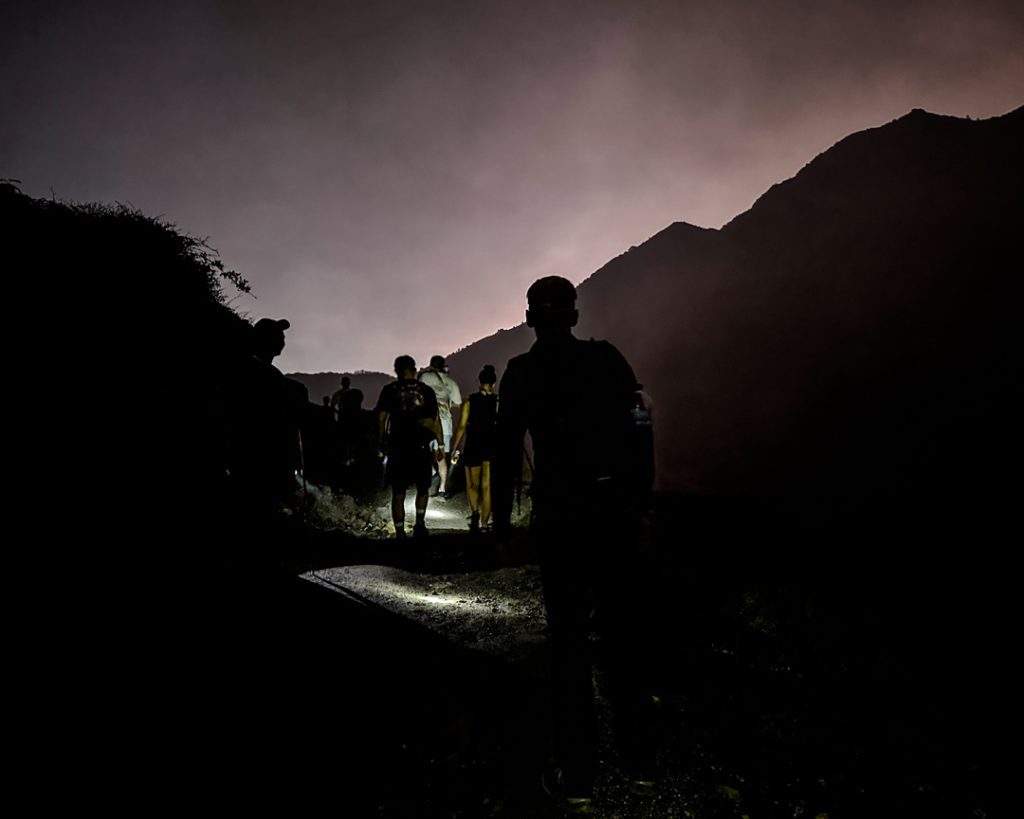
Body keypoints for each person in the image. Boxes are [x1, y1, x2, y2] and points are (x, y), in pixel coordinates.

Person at [494, 276, 658, 813]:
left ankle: (579, 772)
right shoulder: (608, 358)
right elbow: (641, 419)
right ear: (575, 314)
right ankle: (639, 763)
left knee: (568, 639)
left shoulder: (521, 373)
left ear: (529, 318)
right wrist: (640, 494)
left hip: (560, 518)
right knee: (622, 633)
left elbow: (505, 451)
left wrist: (500, 523)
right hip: (613, 515)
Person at [375, 355, 444, 539]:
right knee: (423, 488)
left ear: (396, 370)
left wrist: (382, 440)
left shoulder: (389, 390)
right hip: (421, 446)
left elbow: (381, 418)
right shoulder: (426, 391)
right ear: (414, 369)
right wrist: (441, 444)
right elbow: (434, 420)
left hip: (397, 446)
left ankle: (399, 532)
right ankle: (419, 525)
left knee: (398, 492)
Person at [451, 364, 499, 533]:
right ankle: (485, 524)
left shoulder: (470, 401)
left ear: (478, 381)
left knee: (472, 484)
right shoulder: (498, 402)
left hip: (474, 443)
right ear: (494, 382)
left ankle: (475, 513)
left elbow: (462, 426)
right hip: (491, 444)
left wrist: (454, 447)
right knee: (487, 486)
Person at [417, 355, 462, 497]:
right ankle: (442, 488)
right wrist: (446, 403)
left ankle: (432, 473)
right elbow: (458, 403)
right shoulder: (451, 382)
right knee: (441, 455)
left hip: (428, 420)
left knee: (422, 451)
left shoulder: (425, 377)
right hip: (445, 420)